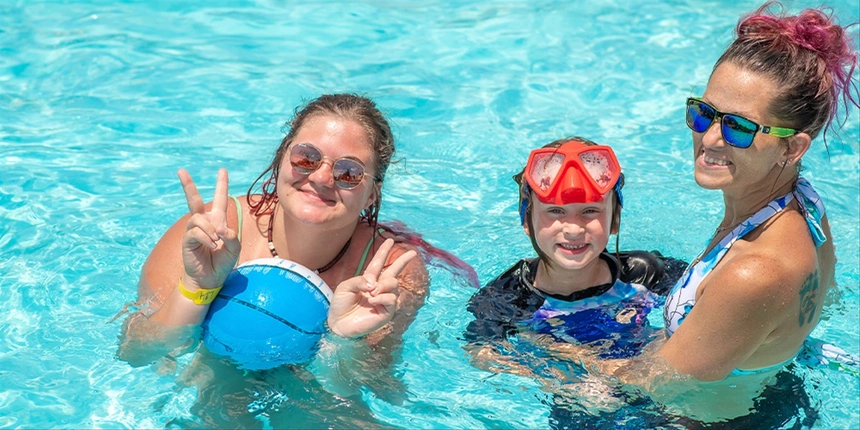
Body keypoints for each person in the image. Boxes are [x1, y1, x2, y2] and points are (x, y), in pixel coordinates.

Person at [118, 93, 432, 366]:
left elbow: (365, 390)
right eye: (307, 158)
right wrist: (197, 286)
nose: (322, 178)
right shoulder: (217, 229)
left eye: (349, 172)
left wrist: (340, 342)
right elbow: (137, 353)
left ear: (372, 193)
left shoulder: (390, 271)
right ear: (281, 158)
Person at [462, 137, 680, 428]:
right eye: (555, 211)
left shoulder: (643, 274)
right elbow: (480, 353)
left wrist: (655, 356)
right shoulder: (508, 296)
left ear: (614, 220)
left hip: (655, 391)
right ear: (527, 220)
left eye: (590, 211)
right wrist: (561, 378)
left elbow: (705, 293)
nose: (574, 229)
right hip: (575, 405)